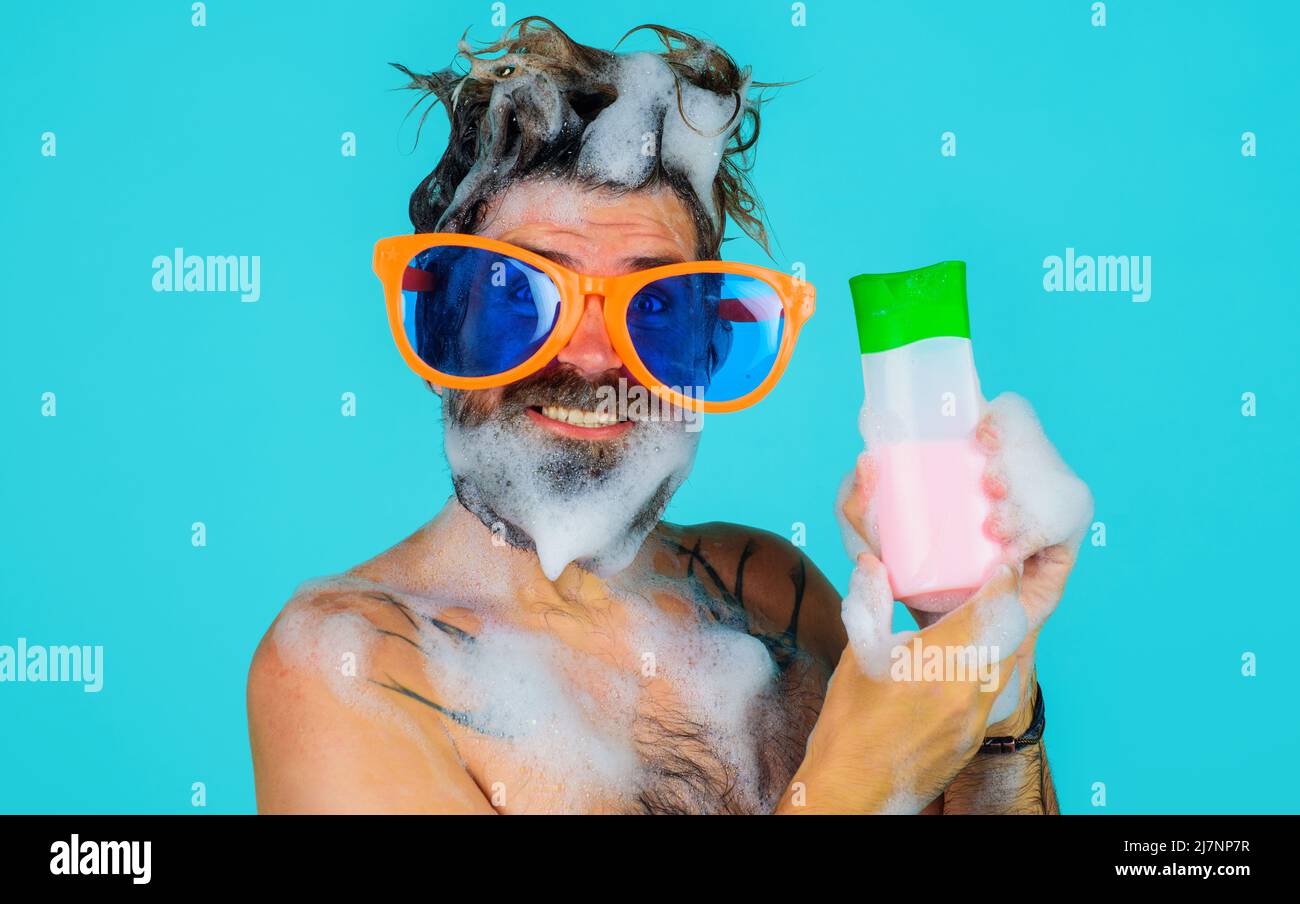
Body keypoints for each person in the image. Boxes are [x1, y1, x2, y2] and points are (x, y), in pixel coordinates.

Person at [247, 17, 1091, 814]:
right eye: (518, 296)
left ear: (700, 337)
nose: (590, 356)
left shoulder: (766, 590)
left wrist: (991, 665)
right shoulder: (346, 665)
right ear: (443, 318)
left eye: (653, 306)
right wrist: (855, 780)